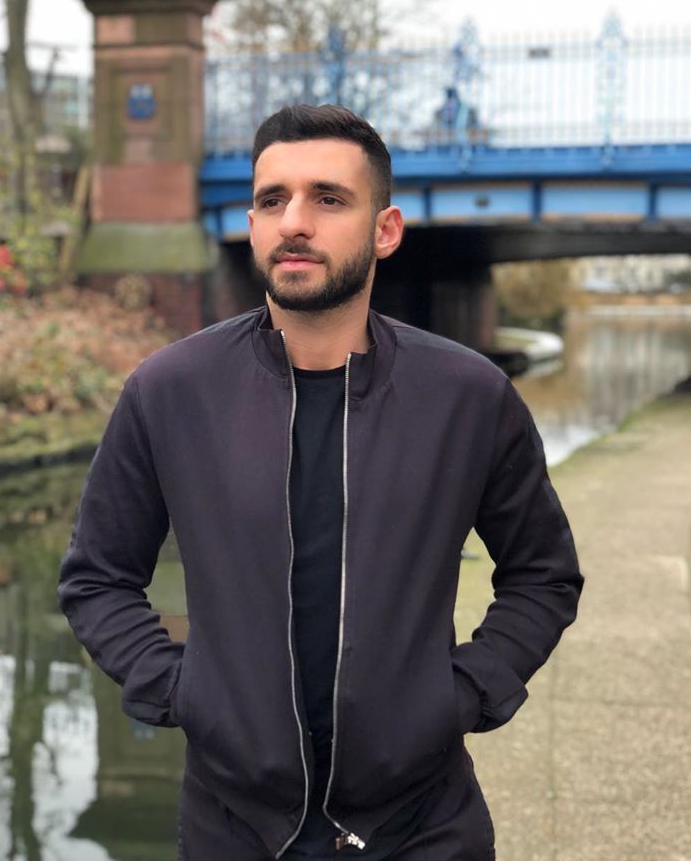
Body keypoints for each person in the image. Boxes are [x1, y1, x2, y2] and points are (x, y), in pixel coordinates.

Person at [58, 104, 583, 860]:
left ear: (385, 230)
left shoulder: (467, 397)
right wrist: (180, 689)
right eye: (273, 200)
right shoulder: (170, 391)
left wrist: (463, 693)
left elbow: (543, 574)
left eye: (329, 199)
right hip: (232, 827)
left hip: (423, 826)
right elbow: (97, 578)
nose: (294, 222)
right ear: (251, 225)